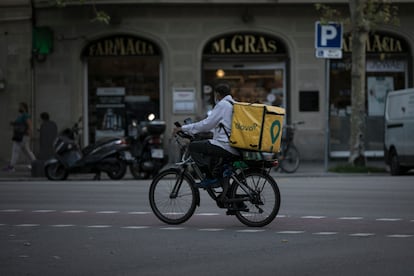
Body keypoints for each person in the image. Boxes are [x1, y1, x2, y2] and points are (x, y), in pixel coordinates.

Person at [173, 82, 240, 188]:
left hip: (225, 145)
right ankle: (236, 203)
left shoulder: (223, 105)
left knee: (193, 147)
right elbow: (222, 126)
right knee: (220, 173)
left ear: (217, 94)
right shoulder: (233, 104)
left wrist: (184, 128)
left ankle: (209, 178)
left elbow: (207, 124)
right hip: (233, 146)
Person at [2, 102, 36, 172]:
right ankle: (35, 164)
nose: (18, 108)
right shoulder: (21, 116)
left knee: (15, 150)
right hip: (21, 136)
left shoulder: (25, 115)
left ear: (23, 107)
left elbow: (30, 125)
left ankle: (11, 167)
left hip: (22, 136)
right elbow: (20, 124)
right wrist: (14, 123)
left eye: (20, 106)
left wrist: (30, 134)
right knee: (27, 151)